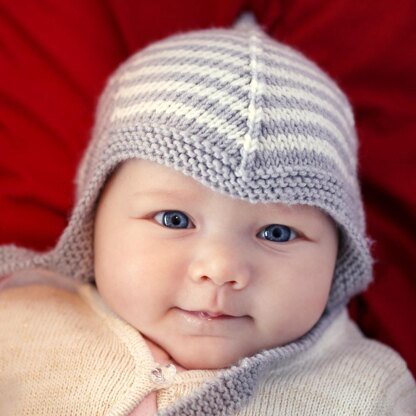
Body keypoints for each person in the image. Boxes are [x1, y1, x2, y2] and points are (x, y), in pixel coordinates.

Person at [0, 16, 415, 416]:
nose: (220, 269)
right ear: (92, 223)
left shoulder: (372, 388)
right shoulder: (18, 327)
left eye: (277, 232)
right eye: (174, 220)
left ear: (340, 253)